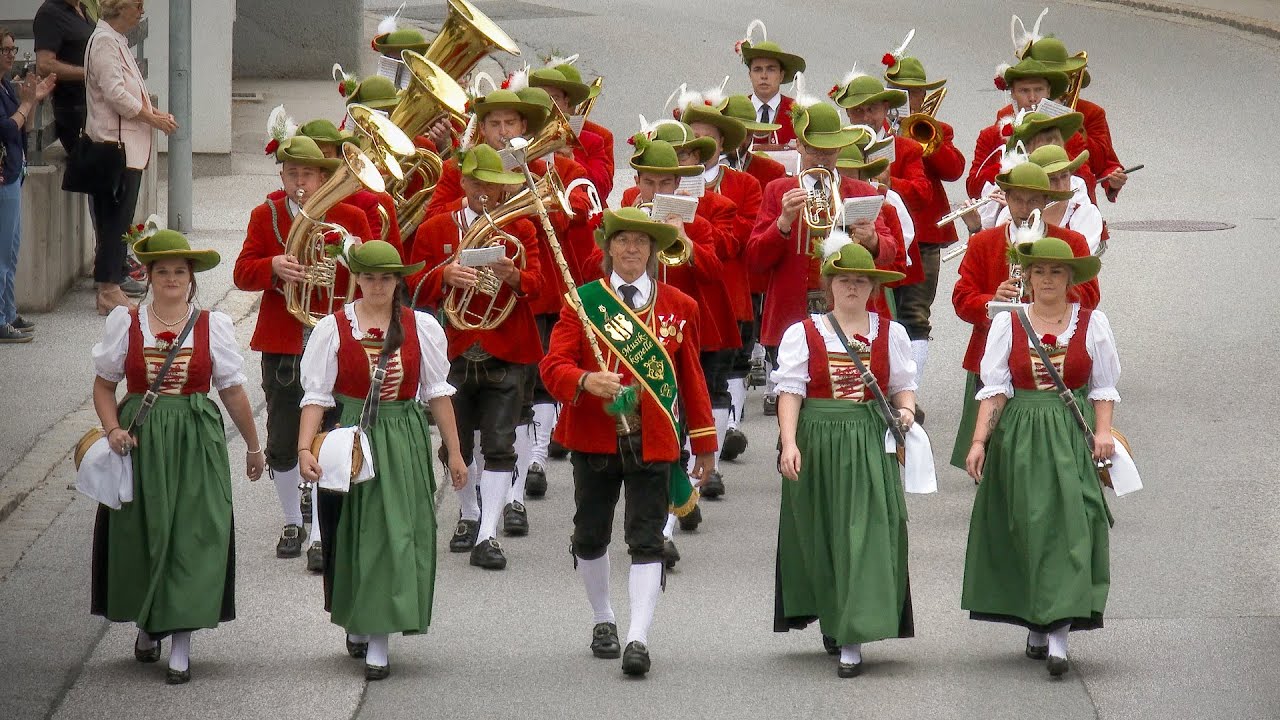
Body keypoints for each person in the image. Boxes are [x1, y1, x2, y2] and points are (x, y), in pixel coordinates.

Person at [540, 207, 717, 677]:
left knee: (647, 539)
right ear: (608, 248)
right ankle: (604, 619)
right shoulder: (582, 302)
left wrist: (704, 441)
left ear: (653, 252)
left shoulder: (682, 306)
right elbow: (552, 366)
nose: (632, 249)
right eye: (623, 241)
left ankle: (639, 636)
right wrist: (583, 380)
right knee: (590, 537)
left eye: (641, 241)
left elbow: (692, 380)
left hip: (654, 441)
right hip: (594, 440)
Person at [89, 230, 264, 685]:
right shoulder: (126, 323)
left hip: (194, 439)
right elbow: (104, 385)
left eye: (179, 272)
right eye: (162, 271)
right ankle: (149, 624)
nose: (171, 278)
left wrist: (253, 445)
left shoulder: (212, 325)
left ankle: (181, 644)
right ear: (147, 276)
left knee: (193, 533)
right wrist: (112, 430)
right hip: (141, 440)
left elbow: (232, 390)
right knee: (144, 533)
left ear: (192, 279)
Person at [298, 240, 467, 681]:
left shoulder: (421, 326)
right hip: (352, 439)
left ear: (398, 281)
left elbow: (438, 393)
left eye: (386, 278)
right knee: (355, 533)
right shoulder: (333, 328)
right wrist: (303, 449)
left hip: (404, 438)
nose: (377, 285)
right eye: (369, 277)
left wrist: (454, 451)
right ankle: (360, 616)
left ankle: (379, 637)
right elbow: (315, 396)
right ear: (356, 278)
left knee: (400, 533)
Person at [962, 235, 1120, 678]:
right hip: (1021, 438)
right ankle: (1036, 618)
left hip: (1070, 433)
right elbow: (994, 392)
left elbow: (1103, 386)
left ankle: (1058, 634)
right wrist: (978, 442)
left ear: (1071, 279)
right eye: (1039, 272)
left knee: (1073, 526)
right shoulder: (1006, 325)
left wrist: (1103, 433)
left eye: (1056, 272)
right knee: (1028, 526)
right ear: (1026, 277)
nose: (1047, 279)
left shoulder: (1093, 323)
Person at [772, 237, 917, 678]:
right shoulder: (804, 333)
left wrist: (906, 411)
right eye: (844, 280)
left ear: (873, 287)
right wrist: (790, 442)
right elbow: (791, 391)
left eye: (861, 281)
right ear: (829, 284)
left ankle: (853, 637)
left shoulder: (891, 333)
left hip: (869, 439)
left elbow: (903, 386)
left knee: (866, 533)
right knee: (824, 535)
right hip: (819, 441)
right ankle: (834, 617)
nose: (852, 288)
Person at [233, 135, 373, 568]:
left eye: (307, 174)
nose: (299, 182)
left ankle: (319, 531)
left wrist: (348, 261)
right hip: (285, 341)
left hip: (336, 337)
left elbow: (375, 270)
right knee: (282, 435)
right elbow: (241, 273)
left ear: (322, 177)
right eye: (292, 173)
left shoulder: (349, 216)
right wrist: (272, 266)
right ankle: (293, 519)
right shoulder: (266, 215)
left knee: (331, 432)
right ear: (282, 175)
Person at [405, 145, 543, 569]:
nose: (487, 192)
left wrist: (514, 275)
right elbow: (412, 289)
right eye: (478, 183)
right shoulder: (435, 228)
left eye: (495, 185)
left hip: (506, 347)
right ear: (463, 183)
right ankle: (467, 514)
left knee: (501, 444)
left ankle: (487, 533)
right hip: (455, 349)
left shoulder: (520, 227)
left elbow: (540, 288)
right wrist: (444, 273)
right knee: (455, 443)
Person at [746, 99, 900, 416]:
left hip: (849, 306)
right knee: (794, 397)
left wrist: (871, 240)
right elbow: (756, 259)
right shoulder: (778, 190)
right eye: (815, 148)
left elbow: (890, 251)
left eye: (829, 150)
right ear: (800, 145)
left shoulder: (861, 191)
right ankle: (792, 449)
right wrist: (783, 224)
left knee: (844, 392)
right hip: (792, 309)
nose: (822, 156)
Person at [949, 161, 1100, 471]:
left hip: (1052, 354)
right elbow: (962, 298)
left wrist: (1045, 294)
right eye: (1017, 198)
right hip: (993, 353)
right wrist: (991, 300)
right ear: (1006, 197)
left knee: (1054, 456)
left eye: (1033, 199)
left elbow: (1090, 297)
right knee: (994, 457)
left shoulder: (1071, 242)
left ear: (1046, 202)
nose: (1024, 207)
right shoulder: (984, 242)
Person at [681, 97, 762, 463]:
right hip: (679, 293)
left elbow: (735, 242)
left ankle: (717, 444)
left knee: (723, 372)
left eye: (707, 138)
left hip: (724, 294)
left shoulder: (743, 185)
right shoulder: (664, 184)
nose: (698, 145)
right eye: (691, 137)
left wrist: (694, 217)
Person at [84, 0, 178, 315]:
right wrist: (153, 120)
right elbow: (115, 94)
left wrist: (154, 113)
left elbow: (130, 91)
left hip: (124, 147)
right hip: (114, 147)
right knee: (113, 221)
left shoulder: (115, 41)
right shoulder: (105, 43)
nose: (141, 11)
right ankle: (108, 290)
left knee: (118, 220)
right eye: (136, 5)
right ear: (119, 8)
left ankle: (111, 285)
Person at [883, 48, 967, 389]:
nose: (905, 99)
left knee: (916, 313)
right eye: (898, 92)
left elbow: (954, 170)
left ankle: (908, 393)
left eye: (912, 92)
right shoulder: (869, 129)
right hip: (884, 230)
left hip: (925, 232)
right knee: (883, 312)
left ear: (922, 96)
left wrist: (928, 141)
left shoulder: (934, 128)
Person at [1, 30, 56, 343]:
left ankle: (8, 312)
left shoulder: (6, 86)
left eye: (13, 48)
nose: (11, 54)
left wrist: (33, 100)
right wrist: (24, 104)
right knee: (2, 255)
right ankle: (0, 318)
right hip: (2, 178)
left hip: (12, 173)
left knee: (11, 250)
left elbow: (26, 128)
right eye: (5, 49)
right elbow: (7, 128)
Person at [996, 145, 1104, 254]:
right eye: (1052, 179)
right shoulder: (1009, 213)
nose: (1061, 186)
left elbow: (1081, 257)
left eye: (1064, 176)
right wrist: (1007, 232)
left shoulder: (1085, 213)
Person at [33, 0, 94, 153]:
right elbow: (44, 65)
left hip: (94, 106)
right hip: (74, 110)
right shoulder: (49, 13)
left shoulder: (82, 9)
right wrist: (88, 73)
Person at [734, 20, 805, 148]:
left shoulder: (798, 112)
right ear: (750, 75)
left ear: (781, 75)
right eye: (757, 69)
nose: (764, 76)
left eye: (771, 69)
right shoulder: (736, 109)